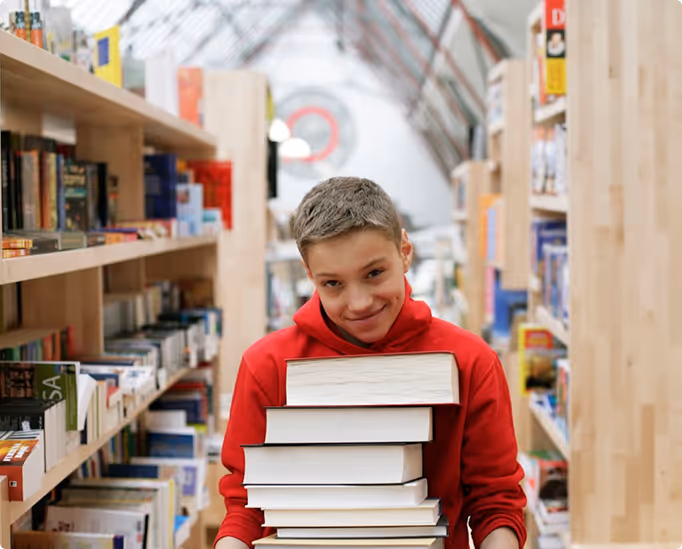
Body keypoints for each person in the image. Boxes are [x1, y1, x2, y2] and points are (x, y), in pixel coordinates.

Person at [214, 177, 527, 549]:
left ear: (405, 252)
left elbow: (495, 502)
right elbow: (246, 504)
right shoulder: (267, 365)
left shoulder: (472, 362)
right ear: (310, 276)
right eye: (333, 284)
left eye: (374, 273)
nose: (360, 303)